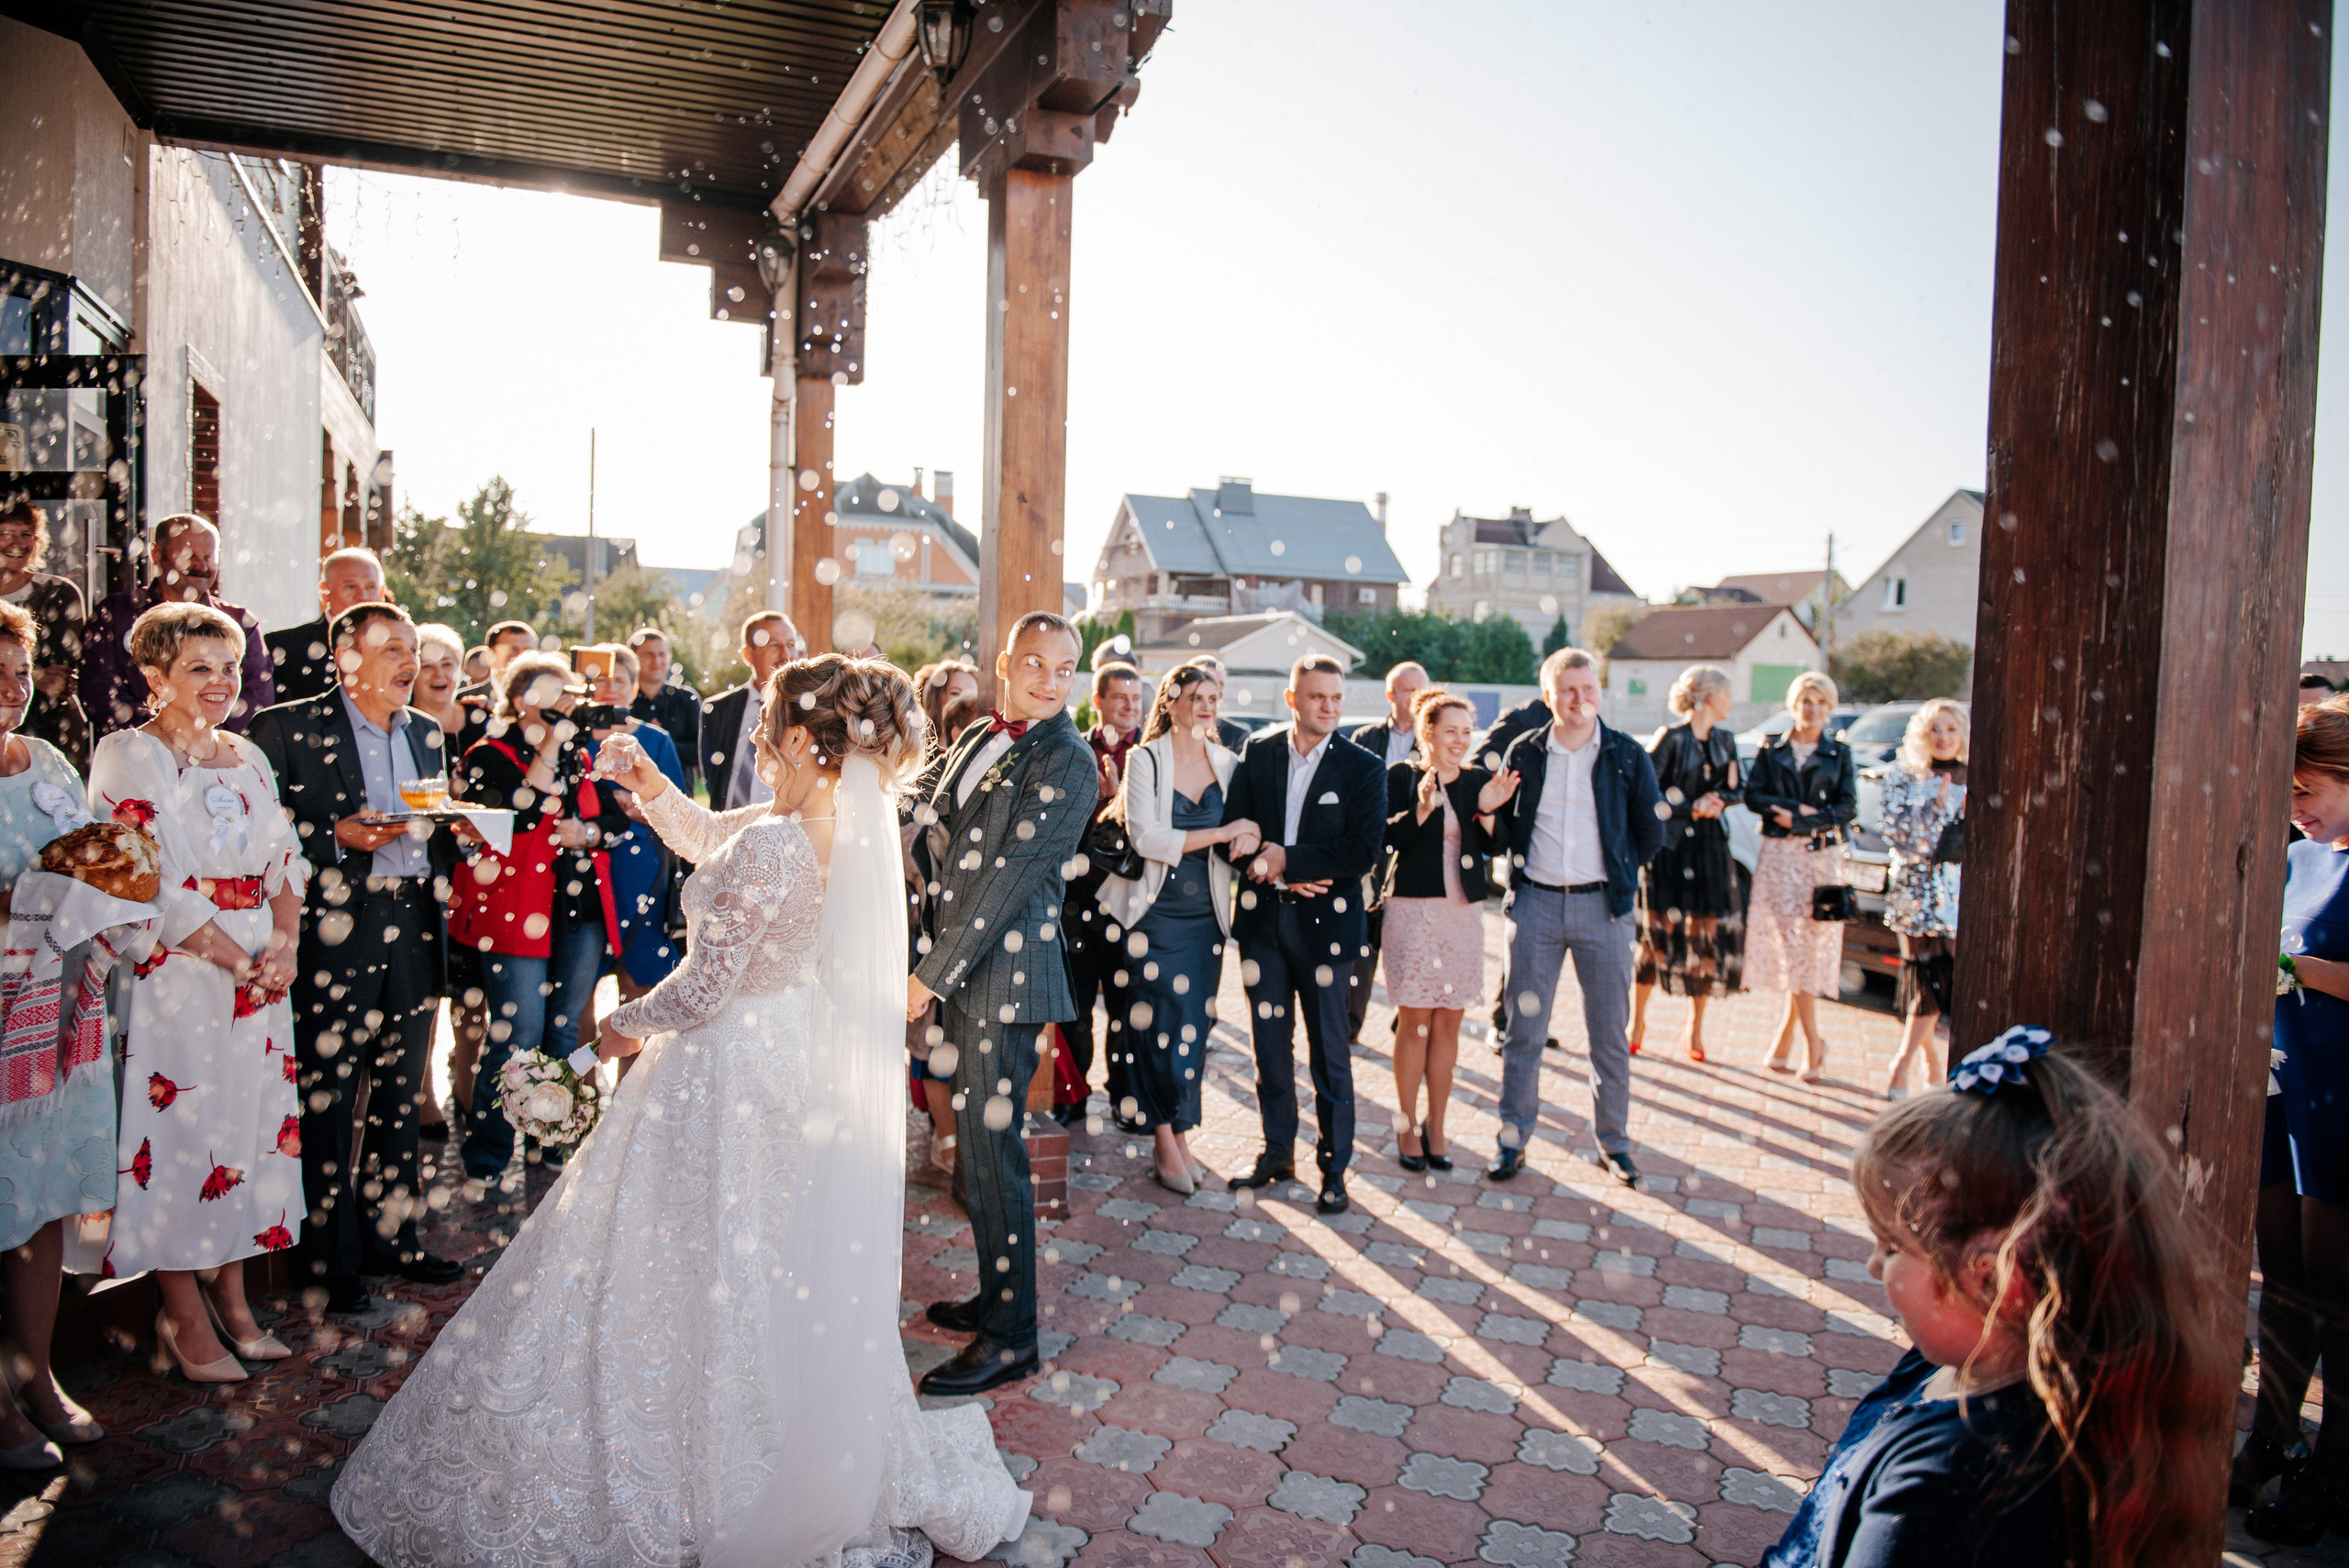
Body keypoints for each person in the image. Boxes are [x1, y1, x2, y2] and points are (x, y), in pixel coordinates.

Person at [331, 657, 1031, 1568]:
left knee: (674, 1252)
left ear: (791, 738)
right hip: (793, 1061)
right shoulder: (834, 827)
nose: (753, 736)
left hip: (728, 1063)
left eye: (767, 723)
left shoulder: (777, 842)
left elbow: (702, 988)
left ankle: (694, 1449)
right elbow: (711, 835)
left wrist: (603, 1036)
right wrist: (652, 786)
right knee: (762, 1257)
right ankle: (768, 1423)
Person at [1765, 1028, 2232, 1568]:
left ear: (1994, 1279)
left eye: (1892, 1246)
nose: (1874, 1265)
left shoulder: (1953, 1488)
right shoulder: (1953, 1364)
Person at [85, 601, 306, 1378]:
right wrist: (232, 958)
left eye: (229, 666)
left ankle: (236, 1299)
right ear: (155, 677)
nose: (220, 683)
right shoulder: (127, 754)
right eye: (199, 668)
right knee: (180, 1133)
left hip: (258, 971)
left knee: (244, 1129)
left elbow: (285, 859)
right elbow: (144, 879)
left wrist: (282, 944)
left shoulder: (247, 755)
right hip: (178, 973)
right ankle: (181, 1313)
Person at [249, 605, 469, 1309]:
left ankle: (393, 1236)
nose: (411, 662)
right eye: (394, 649)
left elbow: (428, 821)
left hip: (412, 919)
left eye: (413, 648)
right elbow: (266, 826)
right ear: (347, 658)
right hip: (332, 923)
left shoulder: (429, 732)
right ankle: (329, 1258)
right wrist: (334, 836)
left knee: (401, 1089)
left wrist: (463, 828)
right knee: (329, 1093)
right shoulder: (284, 726)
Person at [904, 612, 1098, 1396]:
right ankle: (999, 1293)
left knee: (995, 1160)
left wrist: (929, 976)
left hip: (1002, 982)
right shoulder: (984, 733)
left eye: (1063, 667)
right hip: (963, 974)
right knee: (977, 1162)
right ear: (1004, 662)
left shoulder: (1069, 758)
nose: (1049, 679)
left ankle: (1014, 1337)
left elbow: (1006, 879)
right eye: (1035, 663)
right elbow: (928, 816)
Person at [1488, 647, 1664, 1187]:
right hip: (1536, 905)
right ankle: (1512, 1140)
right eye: (1568, 690)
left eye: (1588, 689)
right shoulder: (1525, 751)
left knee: (1608, 1035)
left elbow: (1651, 833)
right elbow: (1498, 830)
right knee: (1524, 1033)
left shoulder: (1626, 755)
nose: (1579, 699)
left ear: (1599, 693)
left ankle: (1614, 1144)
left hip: (1603, 910)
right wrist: (1492, 811)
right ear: (1548, 696)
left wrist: (1617, 872)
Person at [0, 602, 109, 1464]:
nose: (11, 691)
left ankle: (34, 1373)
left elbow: (88, 857)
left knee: (37, 1203)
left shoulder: (47, 761)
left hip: (55, 1013)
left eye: (21, 673)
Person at [2240, 696, 2349, 1541]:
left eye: (2309, 790)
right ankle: (2271, 1434)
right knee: (2281, 1275)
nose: (2297, 810)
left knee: (2336, 1287)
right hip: (2283, 1084)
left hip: (2343, 1096)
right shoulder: (2295, 857)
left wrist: (2289, 964)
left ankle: (2335, 1467)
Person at [1220, 653, 1386, 1214]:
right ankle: (1276, 1154)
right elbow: (1236, 836)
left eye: (1337, 698)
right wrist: (1267, 865)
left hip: (1328, 931)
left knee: (1330, 1055)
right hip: (1264, 925)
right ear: (1292, 699)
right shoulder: (1259, 751)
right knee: (1270, 1048)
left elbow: (1362, 851)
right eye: (1318, 697)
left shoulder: (1363, 767)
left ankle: (1335, 1169)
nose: (1330, 707)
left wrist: (1290, 859)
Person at [451, 652, 618, 1183]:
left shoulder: (580, 755)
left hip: (577, 910)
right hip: (516, 910)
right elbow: (523, 810)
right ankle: (489, 1155)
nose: (569, 702)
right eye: (558, 692)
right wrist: (552, 743)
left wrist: (588, 834)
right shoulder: (488, 755)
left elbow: (616, 816)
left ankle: (551, 1141)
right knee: (515, 1031)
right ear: (522, 699)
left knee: (564, 1030)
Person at [1095, 662, 1252, 1192]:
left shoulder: (1230, 763)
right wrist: (1223, 829)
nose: (1206, 706)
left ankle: (1182, 1131)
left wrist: (1247, 838)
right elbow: (1148, 838)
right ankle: (1165, 1141)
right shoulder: (1146, 759)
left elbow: (1240, 838)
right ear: (1171, 702)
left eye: (1213, 697)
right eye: (1195, 697)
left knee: (1194, 1027)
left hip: (1207, 917)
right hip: (1153, 914)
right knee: (1161, 1025)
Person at [1381, 687, 1508, 1173]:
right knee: (1415, 1021)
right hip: (1413, 911)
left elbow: (1500, 847)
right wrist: (1424, 808)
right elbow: (1389, 835)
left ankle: (1438, 1124)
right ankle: (1407, 1122)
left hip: (1462, 914)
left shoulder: (1479, 779)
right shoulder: (1402, 776)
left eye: (1465, 731)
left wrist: (1492, 810)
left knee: (1449, 1021)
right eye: (1449, 731)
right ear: (1426, 732)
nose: (1459, 740)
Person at [1744, 671, 1858, 1083]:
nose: (1812, 709)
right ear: (1794, 704)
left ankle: (1809, 1041)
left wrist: (1809, 819)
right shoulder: (1771, 749)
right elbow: (1752, 794)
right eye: (1805, 700)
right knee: (1788, 947)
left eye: (1820, 701)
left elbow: (1848, 808)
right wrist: (1789, 809)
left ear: (1829, 708)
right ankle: (1795, 1038)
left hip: (1818, 859)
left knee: (1807, 949)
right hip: (1777, 856)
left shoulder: (1840, 754)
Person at [578, 643, 690, 1051]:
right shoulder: (573, 737)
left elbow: (678, 807)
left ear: (632, 687)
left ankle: (632, 1093)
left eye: (620, 680)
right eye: (601, 680)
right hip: (585, 872)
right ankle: (579, 1098)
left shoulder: (654, 741)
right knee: (580, 988)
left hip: (641, 870)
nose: (610, 688)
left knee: (640, 982)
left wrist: (641, 808)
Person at [1630, 665, 1743, 1064]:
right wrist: (1688, 807)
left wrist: (1722, 800)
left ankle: (1694, 1028)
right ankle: (1636, 1020)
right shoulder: (1671, 738)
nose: (1731, 702)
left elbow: (1738, 787)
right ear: (1707, 696)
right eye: (1727, 694)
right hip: (1672, 847)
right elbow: (1646, 793)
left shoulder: (1726, 739)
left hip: (1710, 847)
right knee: (1656, 933)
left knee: (1705, 935)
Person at [82, 513, 275, 740]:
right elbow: (98, 691)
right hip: (139, 752)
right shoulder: (117, 613)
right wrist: (164, 735)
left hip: (217, 760)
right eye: (189, 555)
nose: (201, 565)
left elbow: (256, 697)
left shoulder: (240, 621)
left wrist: (207, 744)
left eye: (209, 557)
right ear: (156, 554)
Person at [1063, 661, 1144, 1125]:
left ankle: (1124, 1098)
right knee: (1074, 1006)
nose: (1130, 707)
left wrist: (1117, 805)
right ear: (1098, 702)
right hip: (1075, 899)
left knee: (1125, 1007)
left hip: (1126, 902)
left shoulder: (1151, 756)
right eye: (1120, 698)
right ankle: (1073, 1095)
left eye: (1136, 699)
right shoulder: (1075, 751)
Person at [1877, 700, 1967, 1097]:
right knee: (1922, 981)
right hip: (1915, 894)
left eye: (1950, 729)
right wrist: (1936, 808)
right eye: (1935, 729)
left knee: (1941, 982)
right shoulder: (1903, 776)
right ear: (1922, 734)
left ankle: (1917, 1063)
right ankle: (1911, 1064)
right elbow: (1903, 839)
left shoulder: (1975, 778)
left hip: (1958, 896)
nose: (1943, 738)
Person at [1345, 662, 1429, 1041]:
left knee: (1410, 942)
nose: (1413, 698)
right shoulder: (1366, 737)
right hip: (1372, 849)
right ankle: (1349, 1022)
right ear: (1391, 695)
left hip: (1413, 852)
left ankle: (1405, 1020)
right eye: (1406, 690)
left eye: (1419, 690)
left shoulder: (1434, 740)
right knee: (1364, 941)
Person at [0, 499, 87, 771]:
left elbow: (64, 676)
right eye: (5, 534)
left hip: (49, 728)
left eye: (26, 534)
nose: (17, 544)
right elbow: (43, 677)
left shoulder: (58, 593)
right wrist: (35, 677)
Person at [701, 611, 803, 811]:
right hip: (727, 824)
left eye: (791, 645)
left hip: (782, 827)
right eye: (774, 645)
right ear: (748, 654)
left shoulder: (806, 709)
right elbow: (713, 778)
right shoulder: (717, 710)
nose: (786, 654)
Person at [263, 547, 387, 706]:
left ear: (381, 592)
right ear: (324, 592)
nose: (363, 596)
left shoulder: (398, 646)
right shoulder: (286, 646)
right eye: (350, 587)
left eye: (371, 587)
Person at [627, 625, 704, 794]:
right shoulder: (623, 702)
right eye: (649, 655)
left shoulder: (687, 699)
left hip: (677, 797)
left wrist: (659, 740)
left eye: (662, 655)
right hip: (630, 797)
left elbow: (699, 753)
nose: (657, 661)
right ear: (633, 660)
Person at [450, 619, 539, 758]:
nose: (520, 658)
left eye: (528, 652)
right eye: (512, 650)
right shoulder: (462, 701)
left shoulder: (543, 706)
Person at [410, 623, 466, 739]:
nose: (439, 674)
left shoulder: (485, 719)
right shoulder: (400, 727)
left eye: (447, 664)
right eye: (427, 666)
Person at [1188, 655, 1254, 751]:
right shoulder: (1171, 734)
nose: (1217, 691)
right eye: (1212, 682)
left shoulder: (1236, 737)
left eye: (1221, 684)